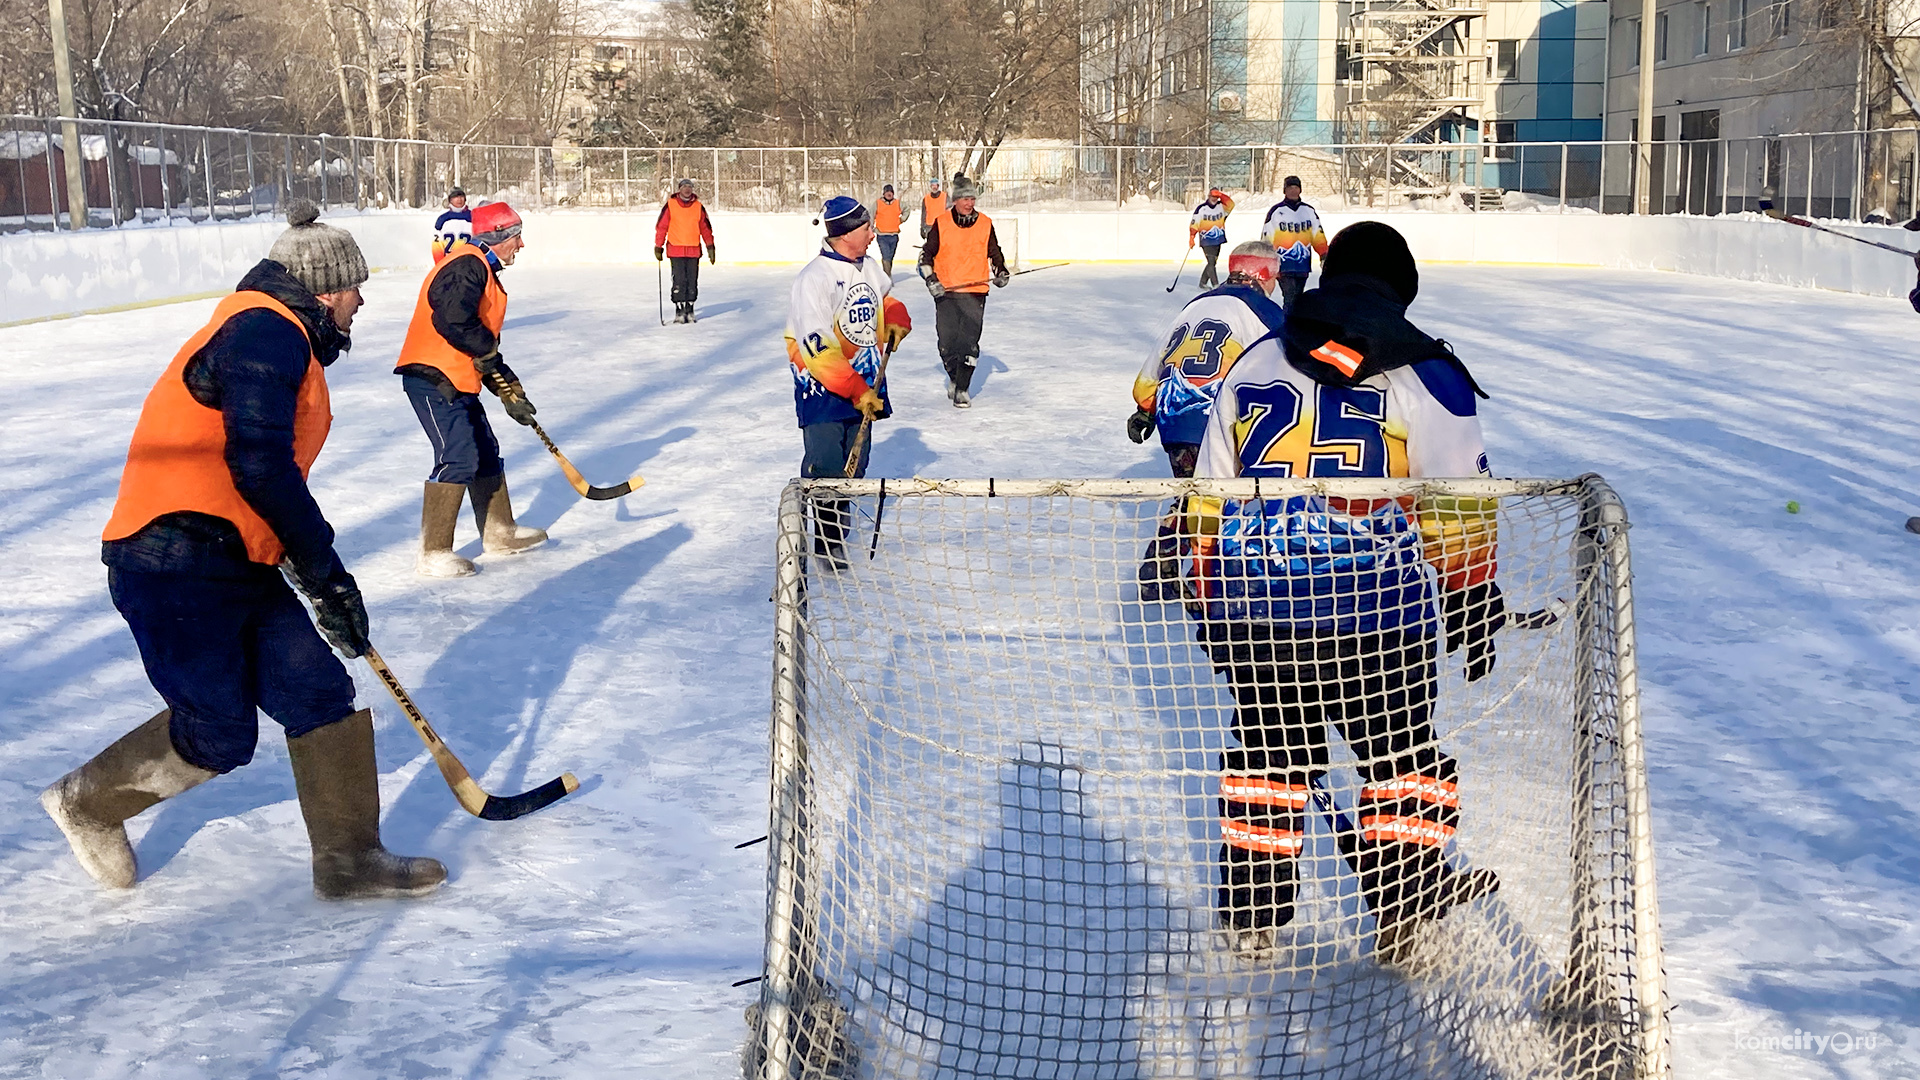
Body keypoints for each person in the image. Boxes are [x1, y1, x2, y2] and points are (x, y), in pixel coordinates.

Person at [41, 201, 446, 900]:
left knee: (318, 691)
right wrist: (326, 573)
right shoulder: (264, 332)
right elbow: (259, 464)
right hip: (170, 561)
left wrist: (308, 572)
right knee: (220, 733)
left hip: (235, 556)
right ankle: (88, 801)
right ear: (323, 290)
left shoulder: (277, 332)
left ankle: (349, 861)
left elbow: (254, 479)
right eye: (353, 287)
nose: (359, 302)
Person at [1185, 221, 1504, 962]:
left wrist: (1207, 588)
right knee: (1402, 761)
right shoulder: (1425, 369)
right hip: (1378, 613)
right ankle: (1406, 911)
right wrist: (1470, 592)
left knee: (1269, 760)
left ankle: (1254, 922)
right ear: (1399, 288)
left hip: (1259, 605)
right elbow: (1457, 498)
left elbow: (1208, 488)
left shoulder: (1258, 357)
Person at [395, 199, 547, 578]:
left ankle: (500, 533)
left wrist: (509, 387)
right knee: (457, 455)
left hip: (457, 376)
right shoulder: (466, 265)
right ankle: (433, 553)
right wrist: (490, 360)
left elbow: (478, 341)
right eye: (515, 237)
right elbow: (452, 319)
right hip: (432, 376)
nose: (520, 245)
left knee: (483, 450)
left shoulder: (479, 268)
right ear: (496, 237)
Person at [1129, 240, 1288, 600]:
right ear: (1263, 275)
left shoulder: (1194, 305)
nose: (1276, 284)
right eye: (1275, 276)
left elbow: (1154, 364)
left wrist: (1146, 408)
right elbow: (1287, 362)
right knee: (1220, 497)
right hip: (1216, 416)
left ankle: (1162, 569)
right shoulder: (1263, 310)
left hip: (1174, 413)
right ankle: (1209, 578)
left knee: (1194, 492)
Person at [785, 196, 912, 568]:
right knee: (827, 465)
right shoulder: (814, 279)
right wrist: (855, 390)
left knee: (856, 466)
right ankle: (826, 542)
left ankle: (834, 531)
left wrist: (895, 316)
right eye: (866, 228)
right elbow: (817, 348)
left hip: (866, 383)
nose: (874, 234)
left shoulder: (869, 267)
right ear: (844, 234)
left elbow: (884, 299)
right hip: (823, 388)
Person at [918, 176, 1009, 408]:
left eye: (972, 198)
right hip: (947, 292)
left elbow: (994, 252)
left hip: (975, 291)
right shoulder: (942, 222)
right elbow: (925, 256)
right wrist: (932, 279)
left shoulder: (985, 223)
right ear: (956, 200)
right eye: (965, 198)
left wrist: (1001, 271)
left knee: (969, 343)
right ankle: (954, 376)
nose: (970, 203)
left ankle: (963, 388)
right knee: (947, 343)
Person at [1261, 175, 1328, 310]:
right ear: (1284, 190)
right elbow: (1267, 237)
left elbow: (1317, 235)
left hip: (1302, 265)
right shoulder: (1276, 211)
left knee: (1298, 299)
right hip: (1283, 265)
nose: (1293, 191)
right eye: (1290, 188)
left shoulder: (1308, 211)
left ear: (1300, 190)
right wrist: (1267, 260)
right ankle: (1287, 327)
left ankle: (1293, 326)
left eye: (1296, 187)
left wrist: (1324, 254)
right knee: (1290, 298)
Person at [655, 179, 716, 323]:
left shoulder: (698, 207)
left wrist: (710, 246)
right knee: (679, 280)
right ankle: (679, 309)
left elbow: (705, 228)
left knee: (692, 281)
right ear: (679, 189)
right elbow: (662, 227)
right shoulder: (671, 205)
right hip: (676, 250)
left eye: (690, 187)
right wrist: (659, 246)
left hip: (693, 250)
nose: (687, 189)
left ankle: (690, 308)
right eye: (684, 187)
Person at [1189, 188, 1235, 289]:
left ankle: (1203, 282)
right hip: (1206, 239)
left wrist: (1221, 195)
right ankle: (1215, 285)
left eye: (1216, 197)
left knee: (1213, 262)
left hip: (1218, 239)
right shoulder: (1201, 209)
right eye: (1212, 196)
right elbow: (1194, 224)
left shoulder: (1222, 207)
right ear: (1208, 196)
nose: (1214, 199)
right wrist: (1192, 237)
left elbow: (1231, 204)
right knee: (1211, 262)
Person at [432, 187, 472, 262]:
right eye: (455, 197)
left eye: (461, 196)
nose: (459, 199)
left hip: (470, 264)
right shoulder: (443, 220)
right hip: (449, 264)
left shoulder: (474, 217)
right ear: (450, 200)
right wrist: (440, 266)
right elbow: (437, 246)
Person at [874, 183, 905, 276]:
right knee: (886, 256)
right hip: (882, 235)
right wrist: (870, 226)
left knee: (890, 257)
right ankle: (887, 276)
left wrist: (901, 219)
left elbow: (907, 209)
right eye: (887, 192)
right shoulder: (878, 203)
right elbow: (871, 215)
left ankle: (887, 274)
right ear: (883, 194)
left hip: (894, 235)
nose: (889, 194)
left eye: (891, 192)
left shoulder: (897, 203)